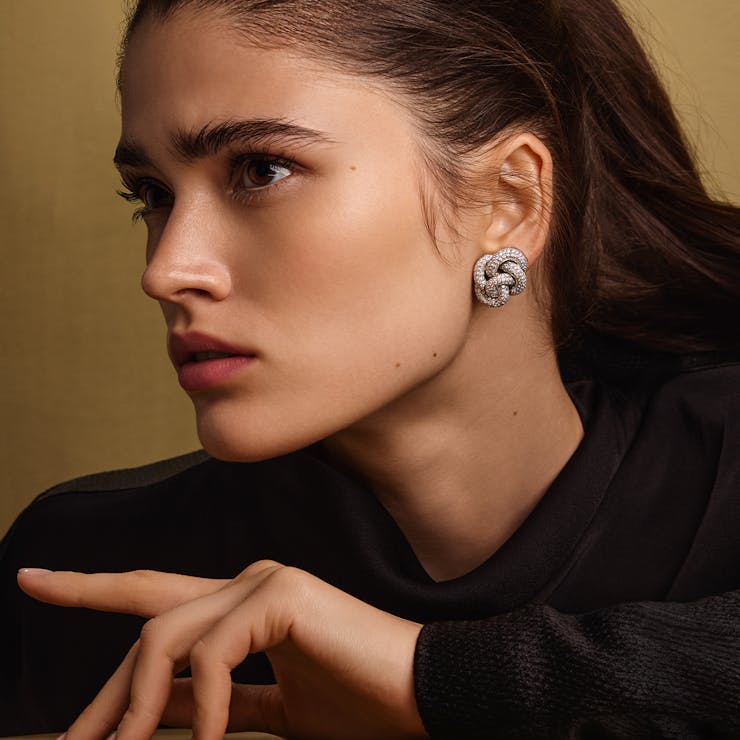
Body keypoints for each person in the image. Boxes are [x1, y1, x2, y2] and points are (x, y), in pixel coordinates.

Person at [2, 0, 739, 737]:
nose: (166, 271)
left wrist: (428, 679)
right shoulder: (91, 572)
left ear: (508, 202)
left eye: (261, 170)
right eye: (154, 195)